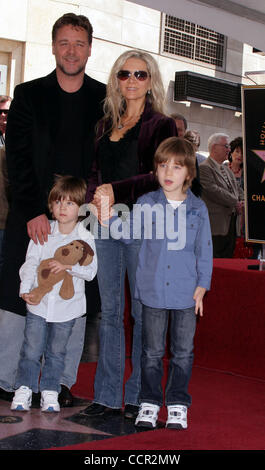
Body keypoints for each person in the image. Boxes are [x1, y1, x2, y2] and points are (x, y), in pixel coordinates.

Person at [0, 13, 106, 405]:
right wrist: (32, 211)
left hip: (82, 222)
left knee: (74, 294)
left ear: (90, 48)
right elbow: (18, 160)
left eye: (79, 43)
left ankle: (59, 382)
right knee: (19, 291)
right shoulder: (28, 95)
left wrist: (88, 213)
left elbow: (103, 162)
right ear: (53, 47)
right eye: (64, 42)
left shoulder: (102, 98)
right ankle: (8, 379)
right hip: (31, 216)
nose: (72, 51)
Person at [81, 49, 177, 419]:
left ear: (150, 80)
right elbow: (94, 171)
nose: (132, 81)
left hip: (142, 223)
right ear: (116, 80)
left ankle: (138, 396)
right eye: (125, 74)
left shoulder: (162, 125)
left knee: (140, 313)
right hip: (105, 223)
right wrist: (93, 197)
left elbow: (161, 176)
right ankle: (106, 395)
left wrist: (114, 190)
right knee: (108, 313)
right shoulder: (105, 123)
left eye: (140, 74)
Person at [95, 137, 213, 429]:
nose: (168, 172)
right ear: (155, 170)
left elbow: (205, 249)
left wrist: (203, 285)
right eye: (162, 166)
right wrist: (108, 217)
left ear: (189, 173)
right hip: (152, 292)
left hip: (186, 293)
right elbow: (130, 233)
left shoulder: (198, 209)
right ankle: (148, 402)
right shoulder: (146, 203)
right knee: (150, 352)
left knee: (183, 352)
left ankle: (177, 403)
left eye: (176, 166)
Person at [10, 175, 97, 412]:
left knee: (57, 352)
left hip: (67, 308)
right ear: (51, 205)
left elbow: (90, 271)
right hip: (38, 304)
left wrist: (69, 267)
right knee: (31, 349)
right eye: (58, 202)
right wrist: (26, 289)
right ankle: (24, 388)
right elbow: (30, 263)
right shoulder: (44, 230)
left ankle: (50, 391)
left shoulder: (85, 236)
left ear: (81, 207)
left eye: (69, 203)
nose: (62, 208)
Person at [199, 133, 239, 258]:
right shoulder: (203, 168)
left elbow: (237, 189)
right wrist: (236, 202)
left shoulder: (227, 169)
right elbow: (214, 191)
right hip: (214, 227)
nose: (229, 149)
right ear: (214, 147)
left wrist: (242, 201)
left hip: (230, 226)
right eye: (226, 146)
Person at [0, 96, 12, 273]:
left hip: (8, 220)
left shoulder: (20, 140)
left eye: (7, 112)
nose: (3, 115)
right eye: (0, 112)